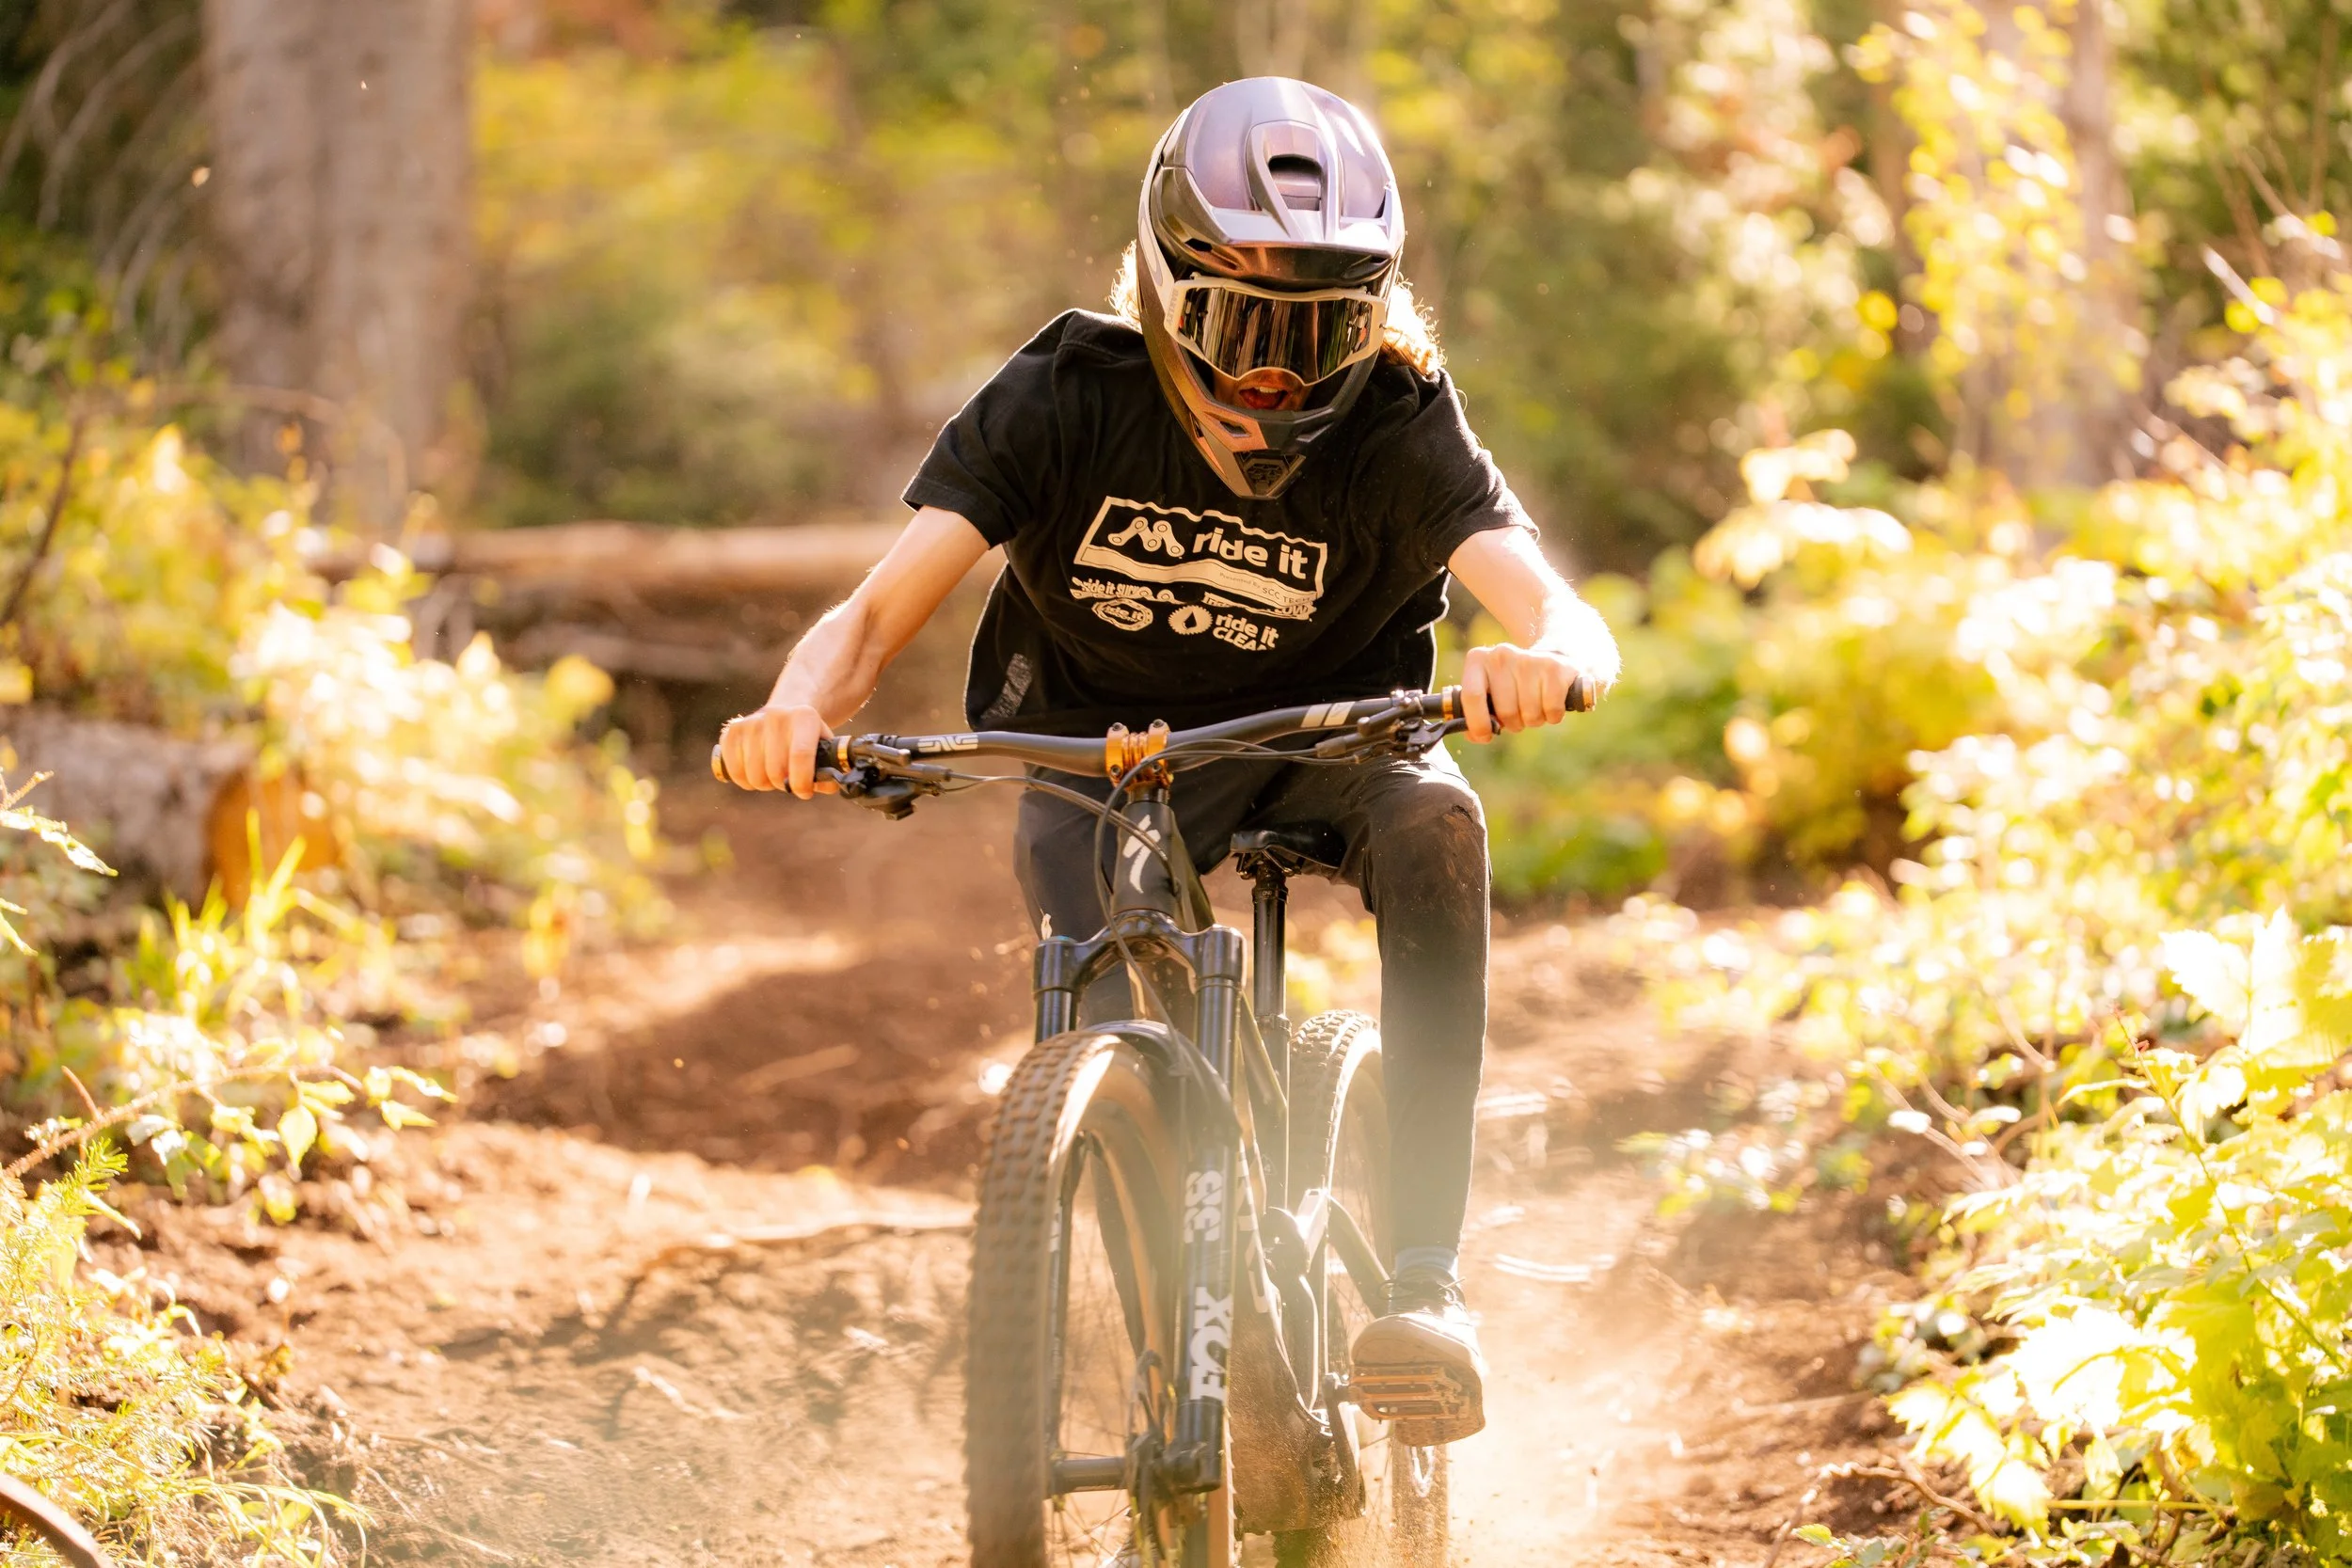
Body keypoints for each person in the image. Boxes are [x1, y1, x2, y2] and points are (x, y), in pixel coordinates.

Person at [718, 75, 1619, 1443]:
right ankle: (1178, 1342)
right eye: (1246, 325)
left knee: (1439, 823)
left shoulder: (1396, 420)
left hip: (1329, 737)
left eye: (1322, 331)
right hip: (1098, 750)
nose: (1278, 375)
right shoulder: (1065, 396)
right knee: (1101, 1002)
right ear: (1164, 292)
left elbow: (1558, 610)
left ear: (1375, 320)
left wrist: (1544, 658)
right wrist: (795, 706)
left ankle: (1425, 1284)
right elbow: (871, 620)